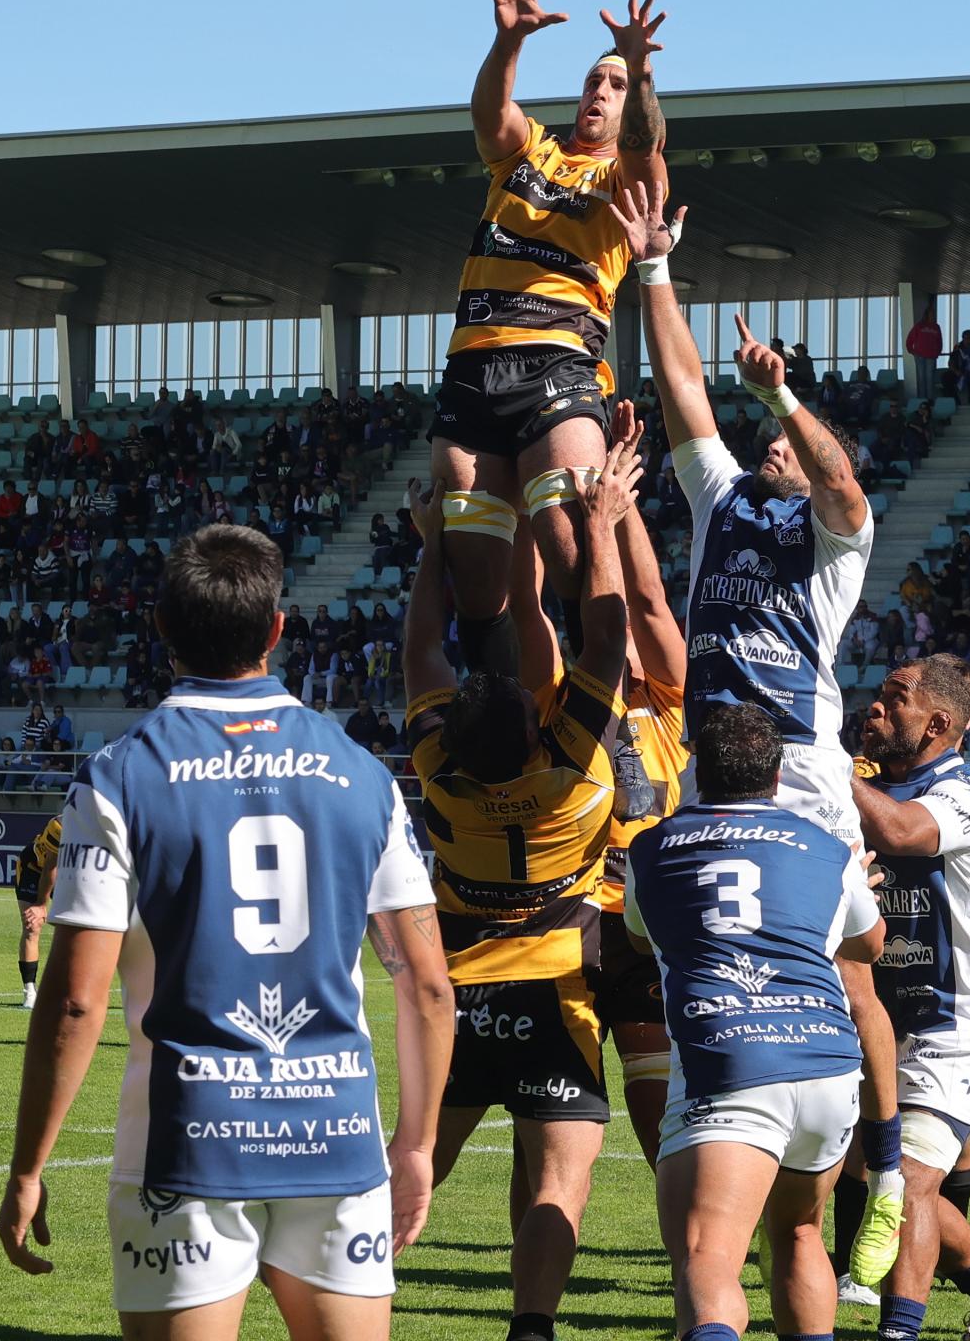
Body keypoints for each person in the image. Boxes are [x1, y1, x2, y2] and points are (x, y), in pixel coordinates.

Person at [0, 524, 454, 1339]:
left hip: (186, 1143)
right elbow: (424, 983)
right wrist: (414, 1145)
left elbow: (74, 1003)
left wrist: (30, 1164)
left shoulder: (119, 776)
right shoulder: (362, 775)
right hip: (335, 1136)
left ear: (162, 630)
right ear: (278, 630)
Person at [612, 178, 904, 1288]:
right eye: (773, 441)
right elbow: (685, 389)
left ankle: (879, 1175)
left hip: (803, 773)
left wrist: (786, 401)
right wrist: (655, 271)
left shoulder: (837, 543)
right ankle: (729, 1123)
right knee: (708, 952)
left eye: (791, 447)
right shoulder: (724, 498)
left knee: (852, 976)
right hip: (715, 769)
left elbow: (841, 478)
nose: (779, 453)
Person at [403, 433, 637, 1341]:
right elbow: (609, 634)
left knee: (416, 1159)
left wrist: (433, 545)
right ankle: (531, 1329)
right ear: (535, 731)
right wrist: (603, 524)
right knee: (557, 1179)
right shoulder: (570, 774)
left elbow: (425, 646)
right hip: (555, 992)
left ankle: (333, 1288)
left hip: (459, 1002)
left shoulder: (439, 774)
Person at [425, 0, 669, 679]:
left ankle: (613, 716)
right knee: (475, 583)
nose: (600, 88)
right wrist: (510, 39)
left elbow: (646, 147)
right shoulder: (529, 151)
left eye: (615, 84)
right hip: (471, 368)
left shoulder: (623, 178)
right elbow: (488, 114)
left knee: (571, 547)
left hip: (557, 366)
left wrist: (642, 68)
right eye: (595, 77)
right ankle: (506, 718)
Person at [625, 702, 884, 1341]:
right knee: (799, 1233)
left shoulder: (651, 848)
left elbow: (638, 936)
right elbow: (871, 945)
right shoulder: (828, 848)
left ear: (695, 769)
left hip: (730, 1062)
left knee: (709, 1255)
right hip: (828, 1063)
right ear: (775, 776)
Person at [510, 409, 689, 1173]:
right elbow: (531, 614)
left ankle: (697, 1236)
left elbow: (644, 603)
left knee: (657, 1115)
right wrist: (525, 513)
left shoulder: (673, 698)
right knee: (550, 1129)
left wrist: (617, 511)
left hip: (650, 923)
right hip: (576, 920)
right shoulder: (559, 697)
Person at [850, 657, 970, 1341]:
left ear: (936, 724)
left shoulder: (959, 792)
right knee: (885, 1178)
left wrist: (823, 769)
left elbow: (900, 834)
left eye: (893, 701)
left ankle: (898, 1332)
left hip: (961, 1024)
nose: (874, 708)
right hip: (888, 1023)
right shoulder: (874, 781)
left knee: (911, 1186)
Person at [12, 814, 62, 1008]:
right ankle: (29, 990)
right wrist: (41, 905)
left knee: (71, 929)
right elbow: (51, 865)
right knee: (32, 926)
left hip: (68, 875)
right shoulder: (59, 825)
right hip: (34, 868)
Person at [906, 303, 943, 402]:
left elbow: (939, 341)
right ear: (926, 315)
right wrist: (912, 351)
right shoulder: (919, 326)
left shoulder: (936, 327)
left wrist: (937, 352)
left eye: (933, 314)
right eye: (930, 314)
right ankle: (922, 399)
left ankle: (930, 399)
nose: (932, 316)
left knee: (929, 377)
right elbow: (910, 339)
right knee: (921, 377)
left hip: (931, 356)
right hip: (920, 355)